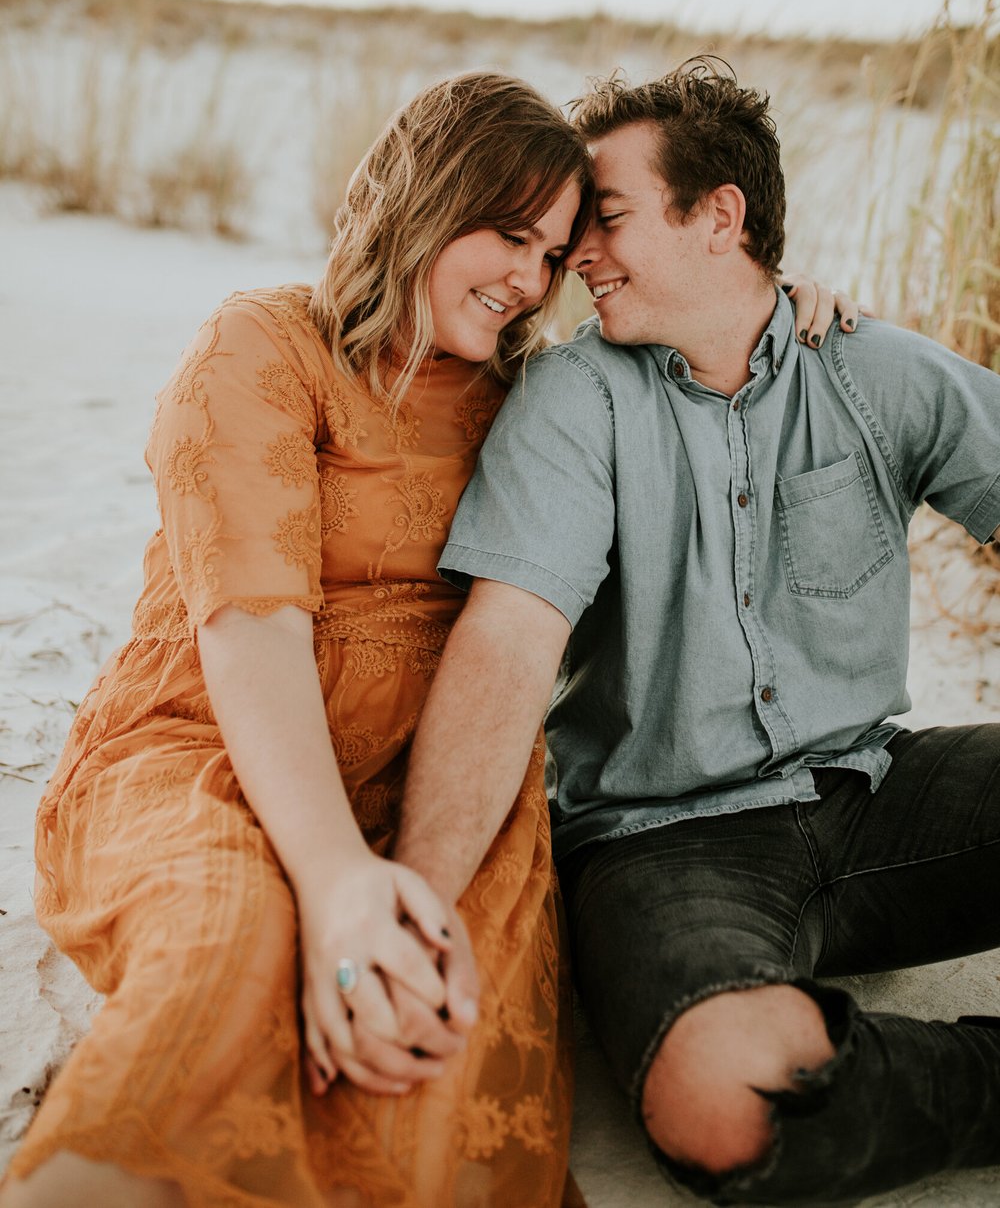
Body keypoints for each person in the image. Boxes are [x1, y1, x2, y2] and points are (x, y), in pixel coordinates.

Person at [3, 66, 845, 1208]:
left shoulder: (537, 400)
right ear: (423, 198)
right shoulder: (266, 344)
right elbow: (251, 624)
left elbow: (703, 381)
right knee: (228, 953)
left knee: (429, 1052)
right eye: (505, 233)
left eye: (552, 254)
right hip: (210, 744)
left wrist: (781, 307)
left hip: (442, 779)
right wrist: (338, 877)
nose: (529, 279)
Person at [393, 59, 1000, 1205]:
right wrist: (418, 910)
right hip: (666, 843)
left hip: (876, 793)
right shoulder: (574, 403)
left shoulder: (868, 369)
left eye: (606, 218)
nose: (575, 257)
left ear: (719, 216)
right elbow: (508, 644)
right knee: (724, 1093)